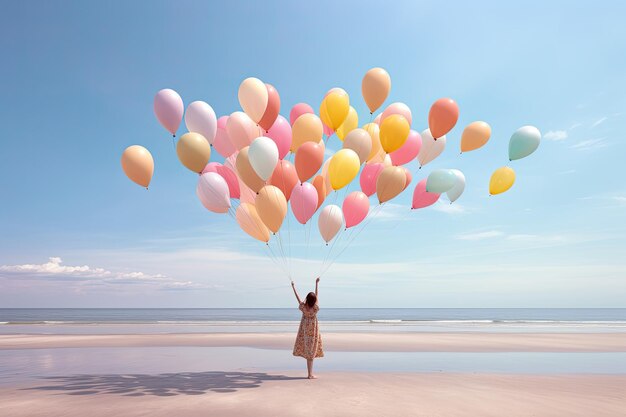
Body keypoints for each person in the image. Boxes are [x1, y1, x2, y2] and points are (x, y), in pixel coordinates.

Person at [291, 277, 324, 379]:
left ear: (307, 299)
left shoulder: (303, 307)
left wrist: (293, 287)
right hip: (313, 331)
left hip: (305, 330)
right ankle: (310, 374)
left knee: (308, 351)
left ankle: (309, 374)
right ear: (314, 300)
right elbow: (317, 295)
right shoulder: (315, 308)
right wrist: (316, 283)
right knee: (311, 352)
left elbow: (297, 297)